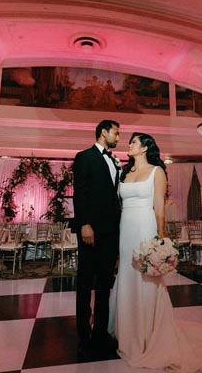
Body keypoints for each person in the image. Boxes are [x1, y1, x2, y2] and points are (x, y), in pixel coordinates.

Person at [109, 132, 202, 372]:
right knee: (127, 274)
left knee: (146, 277)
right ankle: (127, 330)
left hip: (145, 225)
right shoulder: (125, 171)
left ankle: (149, 333)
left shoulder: (157, 171)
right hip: (125, 227)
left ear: (144, 148)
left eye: (133, 142)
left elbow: (159, 206)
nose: (129, 145)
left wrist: (160, 237)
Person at [71, 119, 121, 361]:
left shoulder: (114, 161)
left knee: (104, 285)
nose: (119, 138)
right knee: (85, 284)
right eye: (116, 133)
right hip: (91, 230)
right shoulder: (84, 157)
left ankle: (101, 333)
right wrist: (84, 224)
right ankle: (84, 337)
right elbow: (80, 193)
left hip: (112, 232)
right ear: (104, 132)